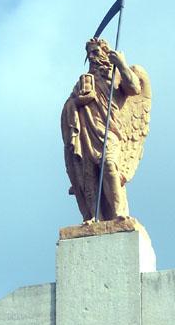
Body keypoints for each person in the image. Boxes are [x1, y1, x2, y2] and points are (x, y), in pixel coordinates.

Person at [61, 37, 151, 222]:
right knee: (89, 174)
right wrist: (78, 102)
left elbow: (134, 88)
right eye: (89, 54)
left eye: (95, 52)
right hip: (86, 130)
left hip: (110, 130)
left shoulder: (116, 73)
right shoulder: (84, 81)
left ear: (104, 52)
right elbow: (68, 106)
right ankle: (95, 216)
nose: (92, 57)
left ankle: (119, 212)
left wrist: (121, 63)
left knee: (109, 165)